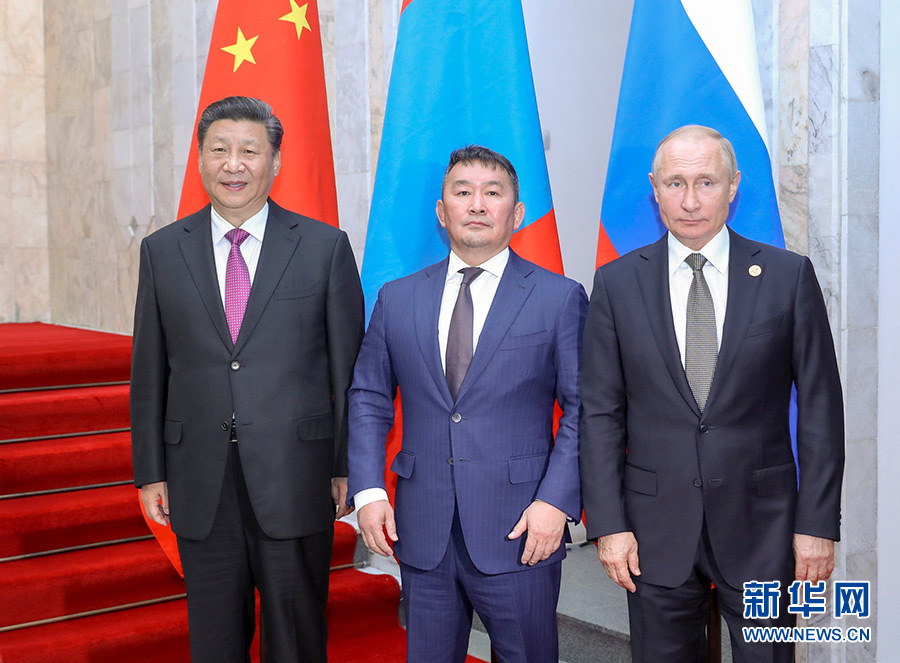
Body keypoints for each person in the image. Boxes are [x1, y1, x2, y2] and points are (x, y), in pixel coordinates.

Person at [580, 125, 845, 662]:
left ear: (733, 185)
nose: (691, 200)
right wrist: (608, 525)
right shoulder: (616, 284)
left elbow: (821, 408)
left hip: (764, 530)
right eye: (675, 183)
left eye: (706, 181)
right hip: (653, 533)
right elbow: (601, 415)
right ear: (655, 189)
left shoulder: (787, 276)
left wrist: (816, 525)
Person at [130, 95, 364, 663]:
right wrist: (150, 471)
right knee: (214, 640)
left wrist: (345, 466)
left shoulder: (324, 247)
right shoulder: (162, 251)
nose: (233, 164)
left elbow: (350, 373)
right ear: (201, 159)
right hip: (199, 478)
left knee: (295, 637)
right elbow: (149, 370)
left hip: (296, 475)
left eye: (249, 152)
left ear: (275, 161)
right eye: (220, 150)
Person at [348, 145, 587, 662]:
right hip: (423, 530)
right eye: (462, 192)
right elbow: (368, 397)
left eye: (492, 193)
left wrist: (555, 503)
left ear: (516, 213)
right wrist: (368, 491)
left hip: (522, 529)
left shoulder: (559, 298)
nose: (477, 204)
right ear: (442, 211)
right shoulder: (397, 298)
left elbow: (584, 410)